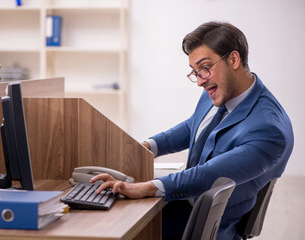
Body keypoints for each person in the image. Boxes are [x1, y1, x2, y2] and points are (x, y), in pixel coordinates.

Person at [91, 21, 294, 239]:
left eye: (205, 67)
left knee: (112, 226)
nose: (199, 81)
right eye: (195, 72)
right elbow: (193, 127)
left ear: (234, 59)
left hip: (205, 225)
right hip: (185, 205)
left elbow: (211, 175)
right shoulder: (221, 91)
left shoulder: (268, 129)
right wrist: (147, 147)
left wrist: (145, 188)